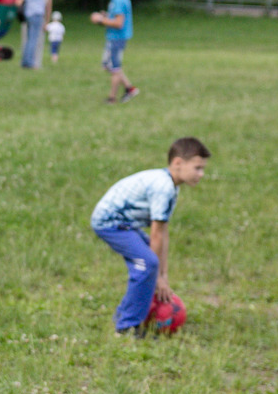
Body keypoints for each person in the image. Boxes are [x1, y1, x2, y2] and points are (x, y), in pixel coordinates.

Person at [90, 137, 210, 337]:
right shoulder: (163, 187)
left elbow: (162, 233)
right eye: (197, 168)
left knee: (148, 264)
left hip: (125, 225)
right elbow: (156, 234)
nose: (202, 174)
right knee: (146, 263)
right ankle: (126, 327)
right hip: (110, 223)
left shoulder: (171, 186)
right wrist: (156, 276)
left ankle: (124, 314)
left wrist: (163, 276)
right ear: (178, 163)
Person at [90, 0, 139, 103]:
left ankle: (112, 98)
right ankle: (130, 89)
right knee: (108, 66)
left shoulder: (120, 0)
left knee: (115, 68)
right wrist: (106, 16)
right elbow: (116, 17)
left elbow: (118, 23)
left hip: (117, 38)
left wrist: (100, 20)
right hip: (113, 37)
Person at [17, 0, 58, 68]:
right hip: (36, 12)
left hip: (27, 12)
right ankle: (30, 63)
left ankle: (25, 61)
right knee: (33, 39)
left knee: (29, 38)